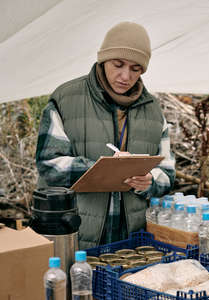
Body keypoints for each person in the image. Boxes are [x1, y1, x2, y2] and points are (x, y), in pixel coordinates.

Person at [36, 21, 175, 249]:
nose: (125, 76)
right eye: (118, 64)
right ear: (103, 60)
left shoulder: (153, 110)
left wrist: (150, 180)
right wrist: (103, 170)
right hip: (75, 235)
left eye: (135, 69)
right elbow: (49, 164)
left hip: (132, 239)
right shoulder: (66, 99)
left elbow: (167, 173)